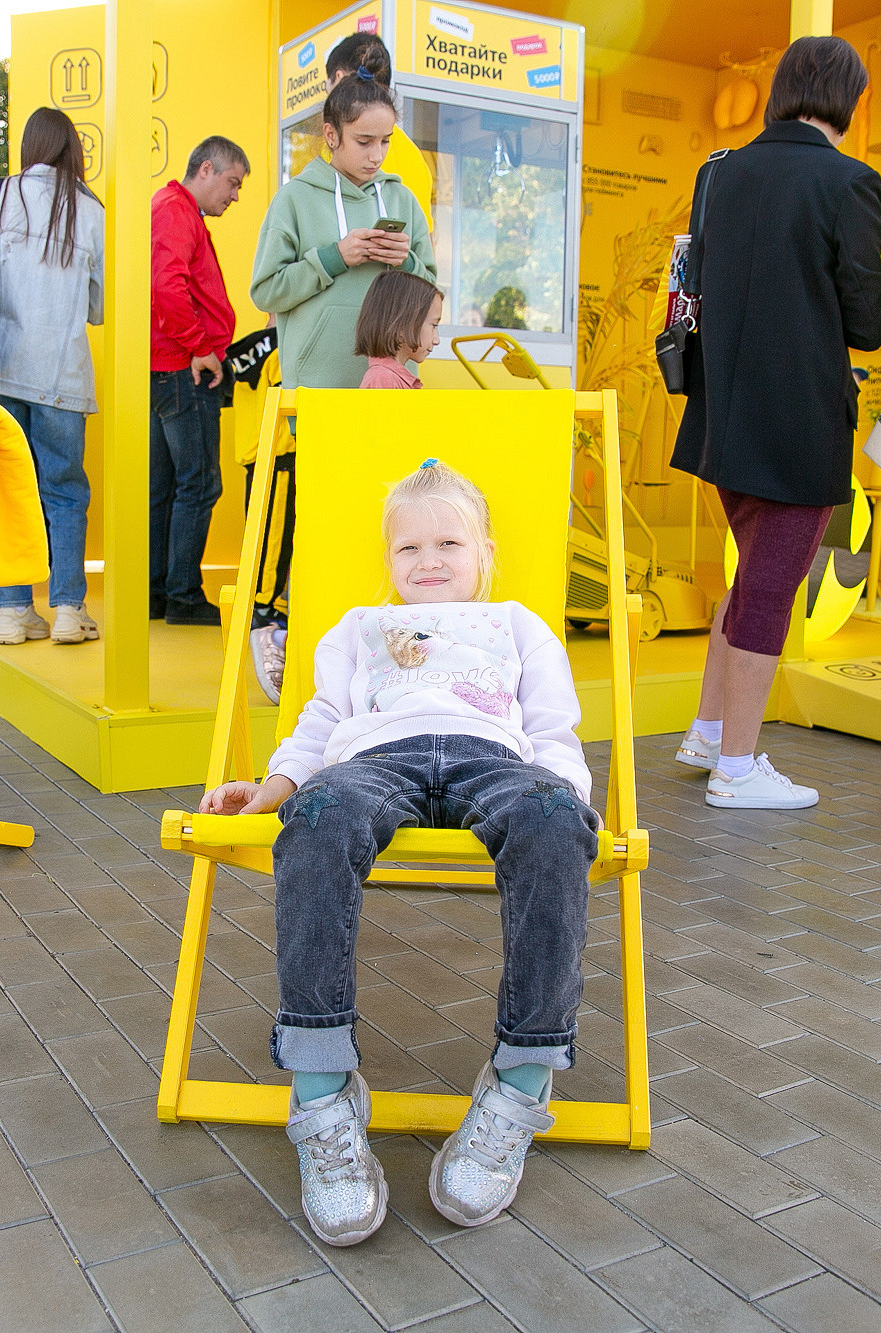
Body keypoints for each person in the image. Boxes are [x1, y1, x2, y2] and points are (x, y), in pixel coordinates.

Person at [198, 460, 597, 1246]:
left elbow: (553, 729)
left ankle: (518, 1086)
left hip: (494, 757)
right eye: (409, 547)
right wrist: (274, 785)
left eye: (449, 543)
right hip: (377, 757)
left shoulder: (517, 623)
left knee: (554, 822)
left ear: (485, 553)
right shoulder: (358, 628)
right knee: (315, 820)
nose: (429, 559)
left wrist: (567, 800)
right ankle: (322, 1094)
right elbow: (320, 723)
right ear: (388, 560)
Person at [668, 37, 881, 810]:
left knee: (750, 574)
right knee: (769, 587)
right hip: (801, 420)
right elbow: (867, 322)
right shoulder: (851, 181)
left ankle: (708, 732)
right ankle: (736, 769)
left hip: (722, 417)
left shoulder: (720, 172)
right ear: (849, 99)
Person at [250, 72, 436, 700]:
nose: (377, 154)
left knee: (389, 522)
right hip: (321, 393)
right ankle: (301, 648)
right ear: (329, 136)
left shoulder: (402, 197)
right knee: (323, 525)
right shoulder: (293, 200)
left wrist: (406, 261)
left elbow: (430, 287)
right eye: (364, 141)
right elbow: (265, 290)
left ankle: (383, 662)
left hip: (391, 392)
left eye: (385, 141)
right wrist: (336, 256)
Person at [0, 108, 107, 649]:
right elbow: (99, 307)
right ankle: (67, 609)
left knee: (8, 491)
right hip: (62, 375)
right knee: (64, 492)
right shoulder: (89, 211)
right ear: (72, 152)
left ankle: (13, 612)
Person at [150, 136, 249, 627]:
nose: (235, 196)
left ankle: (157, 593)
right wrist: (199, 346)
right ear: (206, 169)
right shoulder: (176, 209)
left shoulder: (174, 209)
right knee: (200, 485)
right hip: (183, 368)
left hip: (167, 366)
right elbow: (165, 285)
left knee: (166, 486)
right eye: (232, 182)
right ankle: (184, 596)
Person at [324, 33, 436, 231]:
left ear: (339, 79)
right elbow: (424, 242)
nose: (376, 158)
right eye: (364, 142)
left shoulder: (335, 150)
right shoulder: (416, 158)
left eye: (384, 141)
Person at [355, 270, 443, 389]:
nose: (436, 340)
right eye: (434, 325)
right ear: (401, 326)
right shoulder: (384, 378)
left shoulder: (390, 377)